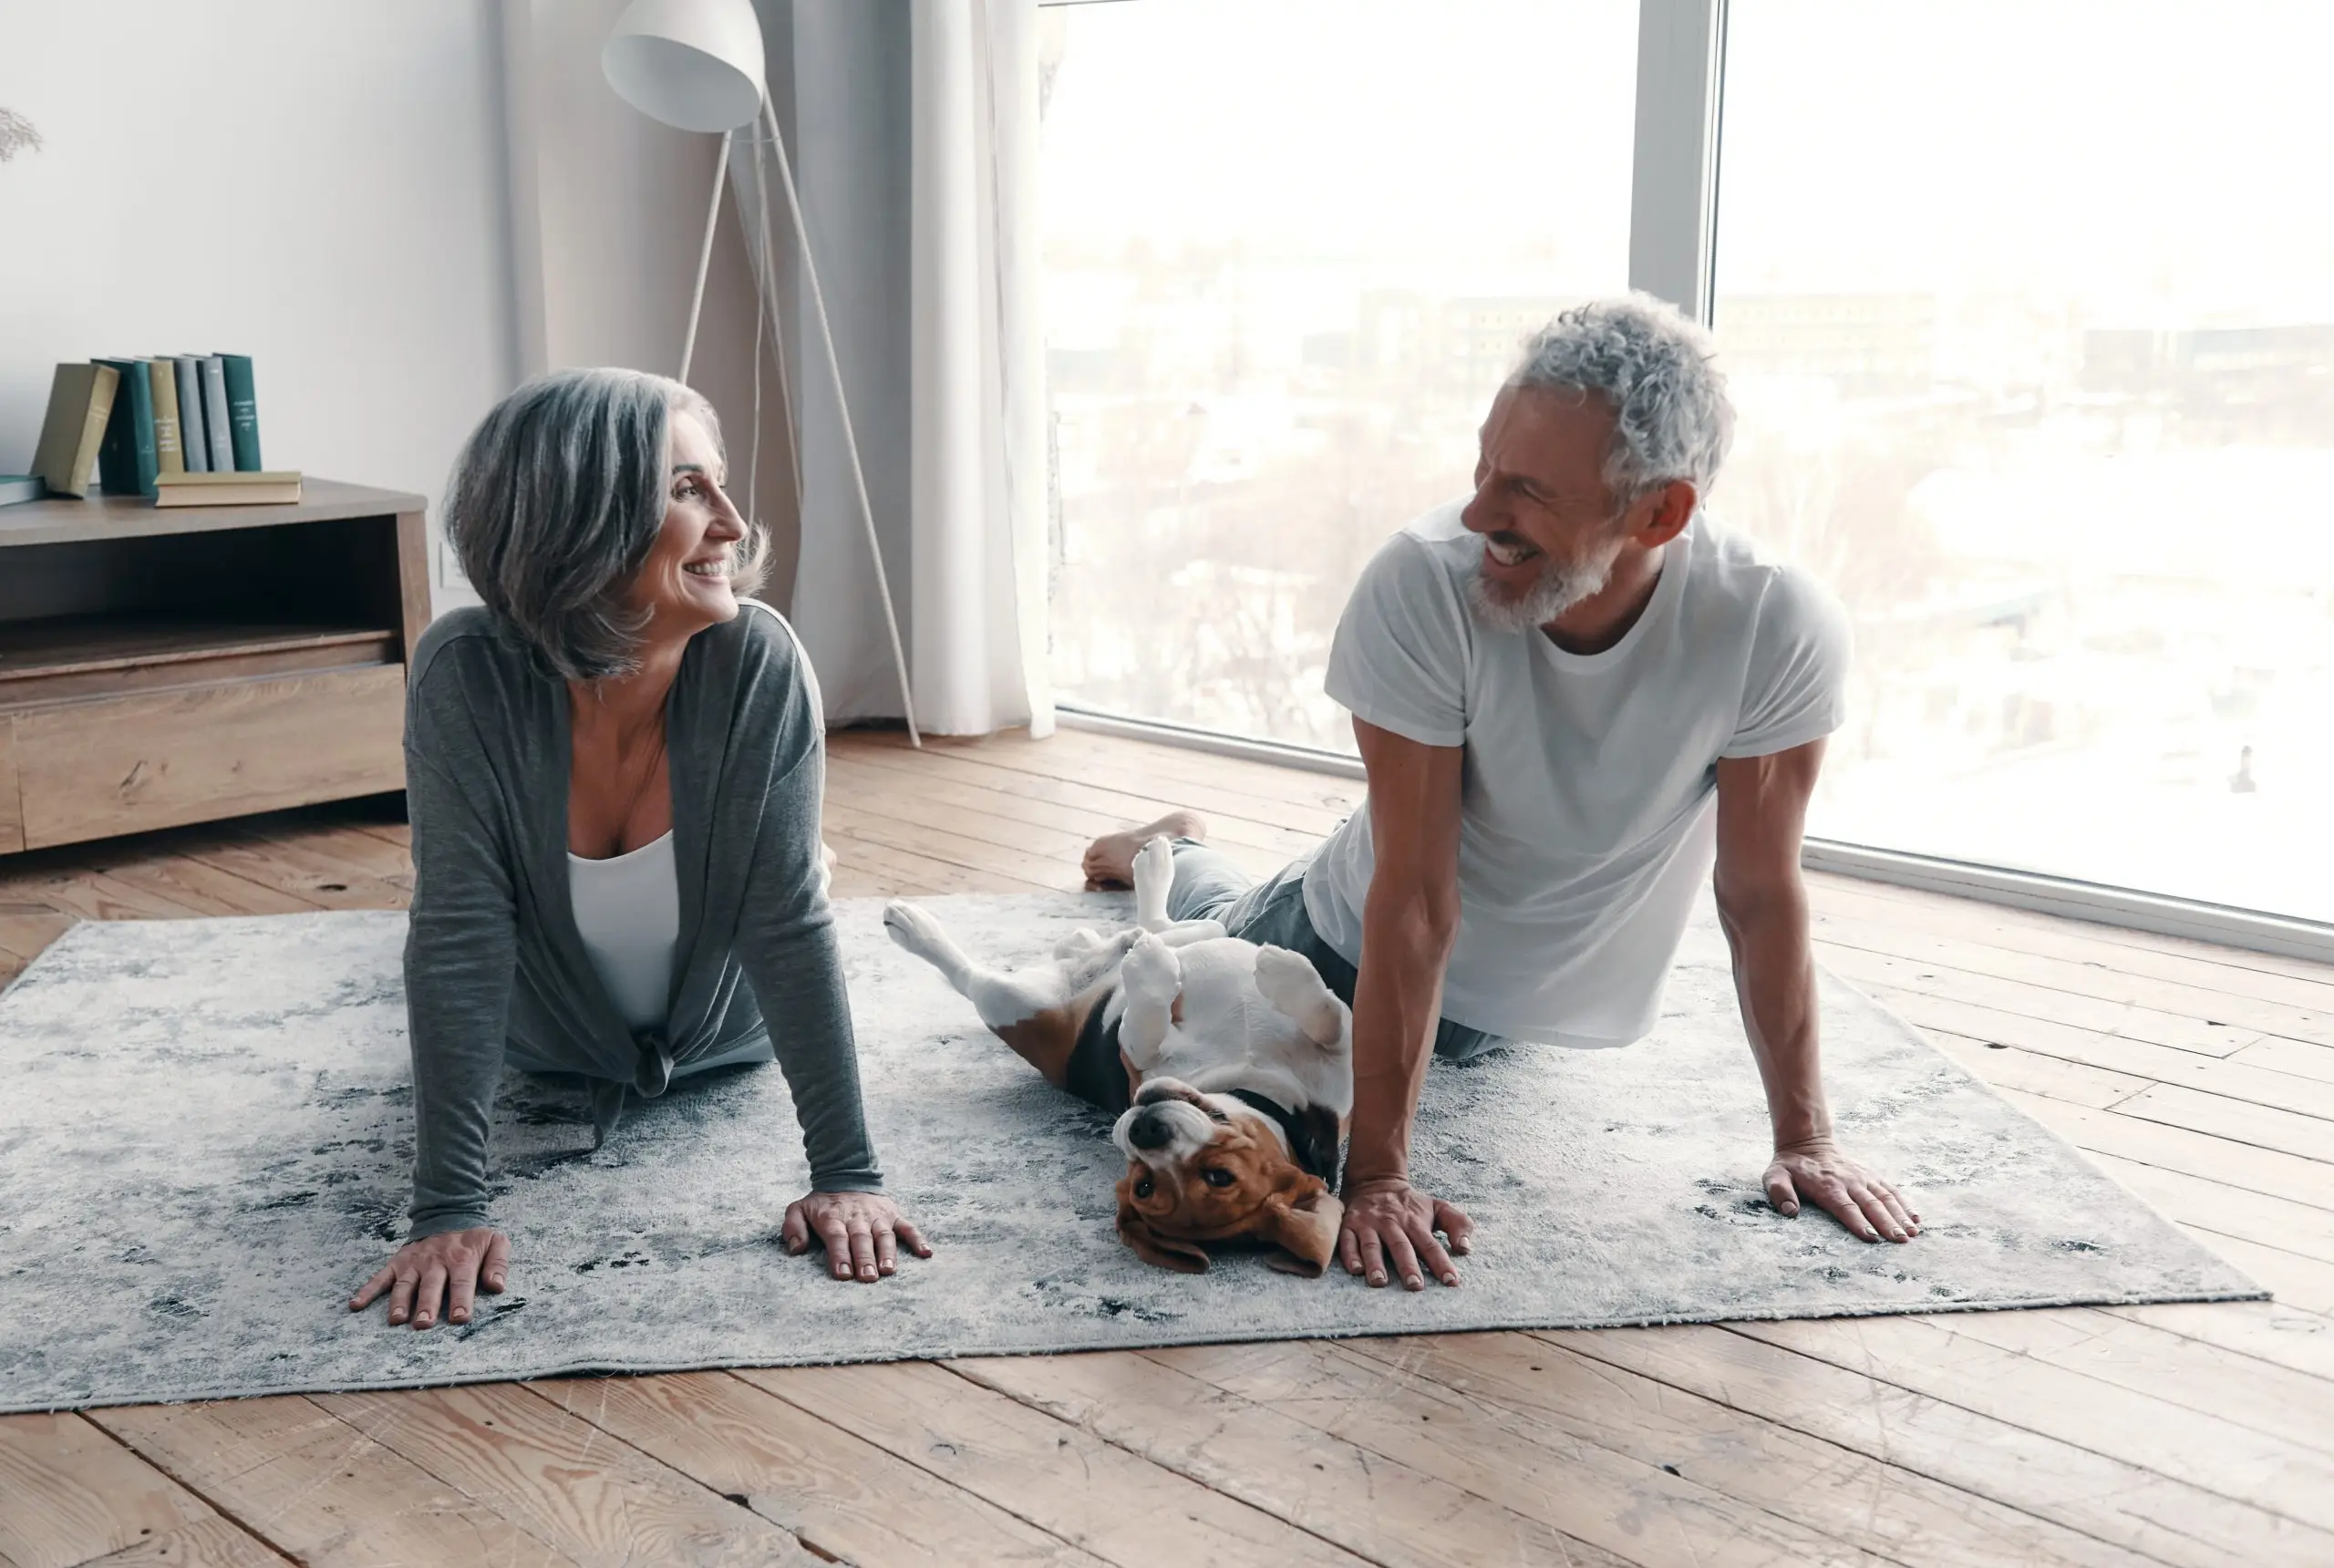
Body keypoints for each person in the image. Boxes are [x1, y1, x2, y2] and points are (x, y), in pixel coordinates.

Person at [1082, 296, 1920, 1295]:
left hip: (1498, 999)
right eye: (1483, 467)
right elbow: (1415, 895)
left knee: (1385, 1000)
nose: (1479, 513)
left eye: (1524, 490)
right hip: (1338, 949)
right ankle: (1153, 853)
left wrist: (1806, 1138)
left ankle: (1178, 847)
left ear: (1660, 512)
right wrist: (1380, 1175)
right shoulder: (1420, 585)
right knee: (1128, 1036)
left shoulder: (1770, 622)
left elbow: (1759, 891)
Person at [350, 368, 927, 1332]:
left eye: (721, 483)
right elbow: (459, 937)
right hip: (543, 1044)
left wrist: (847, 1174)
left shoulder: (759, 663)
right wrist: (448, 1208)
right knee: (425, 939)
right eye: (687, 488)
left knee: (796, 877)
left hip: (728, 1034)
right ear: (578, 518)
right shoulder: (465, 676)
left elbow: (786, 925)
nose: (734, 523)